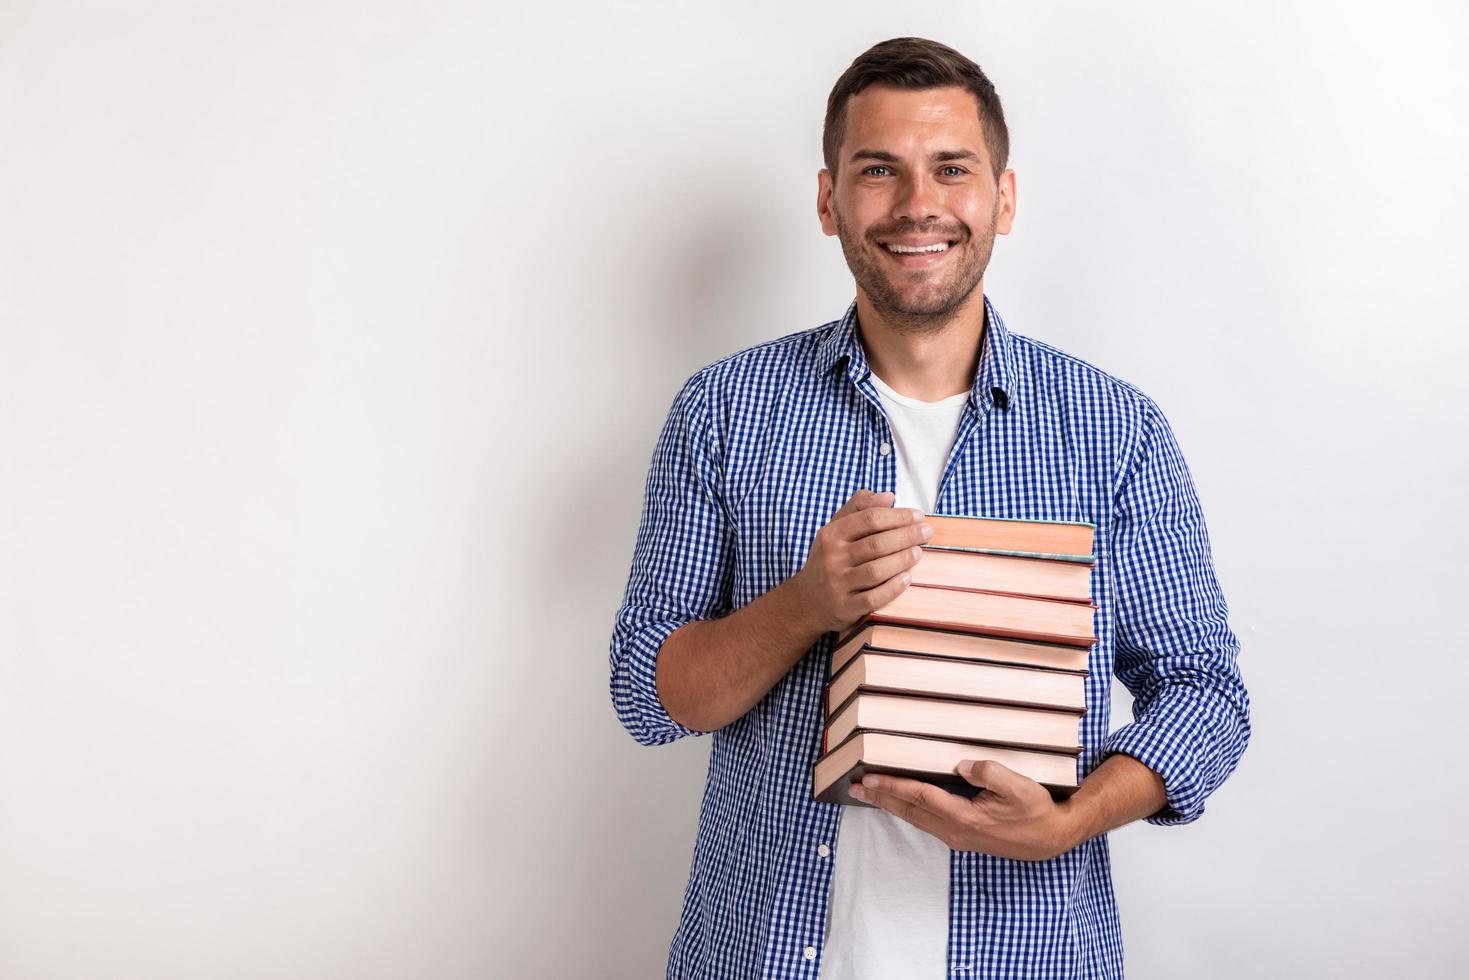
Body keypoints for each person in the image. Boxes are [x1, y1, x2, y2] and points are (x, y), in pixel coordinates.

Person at [607, 36, 1251, 980]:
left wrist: (1071, 820)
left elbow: (1204, 693)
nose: (918, 204)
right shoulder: (725, 410)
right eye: (879, 170)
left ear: (1003, 197)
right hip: (764, 953)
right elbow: (647, 696)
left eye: (952, 168)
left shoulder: (1114, 432)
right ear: (828, 200)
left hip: (1027, 953)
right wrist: (804, 605)